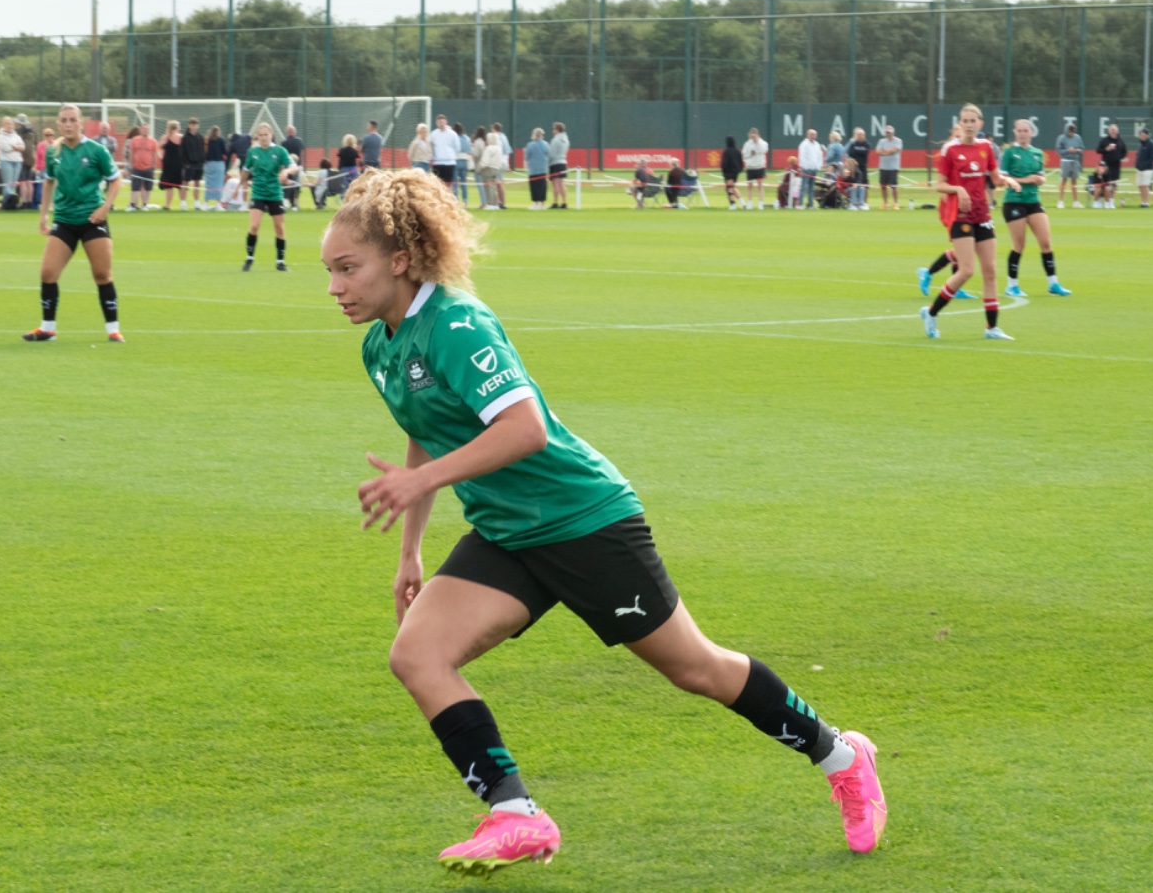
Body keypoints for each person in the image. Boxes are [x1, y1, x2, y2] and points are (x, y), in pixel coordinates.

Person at [324, 168, 887, 878]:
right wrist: (411, 549)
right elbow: (426, 430)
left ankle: (842, 754)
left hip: (583, 519)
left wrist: (423, 480)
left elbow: (523, 428)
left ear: (400, 260)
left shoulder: (458, 324)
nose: (336, 286)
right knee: (416, 654)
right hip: (509, 532)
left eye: (349, 268)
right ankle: (516, 813)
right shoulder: (383, 343)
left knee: (697, 668)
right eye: (330, 271)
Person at [22, 104, 124, 344]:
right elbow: (48, 183)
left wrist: (105, 207)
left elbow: (116, 180)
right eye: (63, 120)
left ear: (81, 123)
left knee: (102, 274)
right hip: (65, 220)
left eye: (72, 120)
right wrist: (43, 215)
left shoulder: (97, 150)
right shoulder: (53, 152)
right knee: (48, 273)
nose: (68, 124)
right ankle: (48, 329)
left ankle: (113, 329)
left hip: (92, 219)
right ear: (59, 124)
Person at [921, 103, 1016, 342]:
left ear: (980, 124)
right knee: (966, 270)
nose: (970, 125)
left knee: (991, 271)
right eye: (966, 120)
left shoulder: (986, 147)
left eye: (974, 121)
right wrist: (958, 189)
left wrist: (1008, 181)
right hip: (960, 216)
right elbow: (940, 184)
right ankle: (931, 313)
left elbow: (994, 178)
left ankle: (992, 327)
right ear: (960, 123)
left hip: (982, 214)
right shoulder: (949, 150)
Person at [999, 118, 1074, 299]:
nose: (1023, 133)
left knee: (1046, 242)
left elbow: (1041, 176)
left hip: (1033, 201)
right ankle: (1012, 285)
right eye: (1019, 131)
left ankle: (1053, 283)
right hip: (1014, 200)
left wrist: (1040, 179)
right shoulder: (1009, 153)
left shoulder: (1037, 153)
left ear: (1031, 133)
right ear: (1015, 132)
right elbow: (1002, 179)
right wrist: (1026, 180)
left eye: (1026, 130)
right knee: (1019, 245)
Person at [240, 122, 299, 273]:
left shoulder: (279, 151)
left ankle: (280, 262)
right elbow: (246, 170)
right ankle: (250, 258)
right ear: (257, 137)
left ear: (271, 135)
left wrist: (286, 172)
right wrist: (241, 184)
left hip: (274, 193)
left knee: (279, 227)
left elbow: (294, 166)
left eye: (266, 135)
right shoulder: (253, 152)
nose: (264, 137)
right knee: (254, 226)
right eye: (261, 135)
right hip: (258, 192)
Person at [0, 116, 26, 208]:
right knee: (7, 183)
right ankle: (5, 204)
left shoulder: (16, 136)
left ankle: (12, 203)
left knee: (14, 184)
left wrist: (13, 147)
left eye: (11, 124)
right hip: (6, 162)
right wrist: (16, 147)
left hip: (17, 162)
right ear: (3, 125)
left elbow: (23, 147)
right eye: (7, 124)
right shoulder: (0, 136)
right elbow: (5, 148)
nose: (9, 126)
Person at [1094, 124, 1128, 209]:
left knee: (1113, 184)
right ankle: (1102, 201)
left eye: (1114, 130)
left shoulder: (1120, 141)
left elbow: (1124, 152)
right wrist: (1107, 149)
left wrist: (1121, 158)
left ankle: (1111, 202)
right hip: (1105, 166)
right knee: (1104, 184)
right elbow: (1098, 150)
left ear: (1117, 131)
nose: (1113, 131)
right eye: (1111, 130)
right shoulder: (1104, 140)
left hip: (1116, 165)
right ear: (1109, 131)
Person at [1054, 123, 1085, 209]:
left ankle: (1075, 202)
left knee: (1074, 182)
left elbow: (1082, 150)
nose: (1071, 132)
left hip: (1075, 161)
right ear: (1067, 130)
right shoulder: (1061, 138)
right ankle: (1060, 201)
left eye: (1073, 131)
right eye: (1070, 130)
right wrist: (1068, 151)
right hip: (1065, 161)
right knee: (1063, 181)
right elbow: (1058, 151)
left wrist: (1077, 150)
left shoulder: (1078, 138)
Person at [126, 125, 156, 211]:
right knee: (135, 187)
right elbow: (131, 153)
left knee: (147, 187)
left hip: (148, 168)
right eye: (144, 129)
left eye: (147, 129)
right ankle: (132, 205)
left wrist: (153, 166)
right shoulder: (135, 140)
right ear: (141, 130)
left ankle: (145, 204)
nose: (145, 131)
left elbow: (154, 155)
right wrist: (131, 164)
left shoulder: (153, 141)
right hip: (136, 167)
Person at [158, 120, 185, 211]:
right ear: (178, 127)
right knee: (180, 185)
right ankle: (183, 205)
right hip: (179, 163)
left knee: (169, 186)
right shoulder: (181, 137)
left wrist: (161, 157)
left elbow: (159, 148)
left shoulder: (165, 137)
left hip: (168, 163)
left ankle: (167, 205)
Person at [430, 116, 461, 192]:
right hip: (438, 163)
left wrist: (450, 155)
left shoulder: (452, 134)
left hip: (449, 163)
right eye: (439, 122)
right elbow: (431, 147)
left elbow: (457, 147)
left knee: (448, 185)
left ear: (446, 122)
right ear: (437, 123)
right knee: (437, 185)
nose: (441, 124)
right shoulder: (433, 134)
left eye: (443, 122)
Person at [476, 130, 505, 211]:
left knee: (488, 187)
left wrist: (480, 167)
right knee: (494, 186)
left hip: (488, 169)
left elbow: (485, 160)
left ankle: (490, 204)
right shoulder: (499, 148)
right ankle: (495, 204)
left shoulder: (488, 148)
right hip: (496, 168)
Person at [740, 127, 768, 211]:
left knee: (760, 185)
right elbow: (744, 155)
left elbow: (764, 150)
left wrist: (757, 142)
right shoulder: (747, 144)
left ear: (757, 135)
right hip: (750, 167)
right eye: (751, 136)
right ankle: (749, 203)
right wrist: (751, 154)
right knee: (749, 186)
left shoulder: (762, 143)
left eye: (754, 136)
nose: (753, 138)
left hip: (759, 166)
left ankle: (760, 203)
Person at [182, 118, 207, 210]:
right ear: (189, 126)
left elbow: (202, 151)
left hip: (199, 164)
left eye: (196, 125)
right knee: (185, 183)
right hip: (189, 164)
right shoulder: (185, 138)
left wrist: (203, 161)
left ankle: (196, 203)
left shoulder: (200, 137)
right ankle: (183, 203)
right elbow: (182, 152)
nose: (194, 127)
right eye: (192, 125)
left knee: (197, 183)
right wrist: (186, 163)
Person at [797, 129, 824, 209]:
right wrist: (803, 166)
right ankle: (800, 203)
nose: (812, 136)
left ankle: (811, 204)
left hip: (814, 168)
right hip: (806, 168)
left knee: (811, 188)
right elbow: (801, 156)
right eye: (811, 134)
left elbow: (819, 156)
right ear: (808, 135)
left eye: (814, 134)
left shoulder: (817, 145)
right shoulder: (804, 144)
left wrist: (818, 166)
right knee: (803, 186)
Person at [524, 128, 550, 210]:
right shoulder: (546, 144)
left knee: (534, 186)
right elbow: (549, 155)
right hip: (543, 169)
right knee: (542, 186)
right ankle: (543, 203)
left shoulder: (530, 145)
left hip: (533, 170)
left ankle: (536, 203)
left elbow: (526, 157)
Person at [845, 128, 871, 211]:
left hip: (863, 167)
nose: (860, 136)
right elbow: (851, 153)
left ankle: (864, 203)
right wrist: (860, 150)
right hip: (853, 168)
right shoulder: (852, 144)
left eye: (861, 134)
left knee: (864, 185)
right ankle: (854, 203)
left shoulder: (867, 144)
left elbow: (865, 152)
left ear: (864, 135)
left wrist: (857, 150)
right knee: (853, 185)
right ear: (855, 135)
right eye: (858, 134)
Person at [281, 125, 305, 211]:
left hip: (287, 166)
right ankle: (295, 203)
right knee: (296, 184)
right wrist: (301, 164)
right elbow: (302, 153)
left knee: (287, 184)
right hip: (297, 166)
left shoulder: (284, 143)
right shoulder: (299, 141)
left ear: (287, 132)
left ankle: (287, 201)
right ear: (294, 132)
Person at [15, 114, 37, 208]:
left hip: (22, 158)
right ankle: (29, 201)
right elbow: (36, 144)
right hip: (31, 159)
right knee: (29, 181)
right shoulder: (32, 132)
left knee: (23, 181)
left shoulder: (18, 133)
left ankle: (24, 202)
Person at [204, 126, 228, 210]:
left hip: (208, 164)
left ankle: (206, 203)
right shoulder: (221, 140)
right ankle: (218, 204)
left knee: (209, 184)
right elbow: (224, 152)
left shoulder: (207, 140)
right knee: (218, 184)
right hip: (218, 164)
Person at [547, 122, 570, 209]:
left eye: (554, 129)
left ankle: (555, 202)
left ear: (557, 130)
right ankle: (564, 202)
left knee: (555, 184)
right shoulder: (566, 140)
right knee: (562, 183)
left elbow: (551, 153)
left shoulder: (555, 140)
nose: (553, 130)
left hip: (555, 163)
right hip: (563, 162)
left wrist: (548, 162)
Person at [1133, 128, 1153, 208]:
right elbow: (1138, 155)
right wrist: (1137, 164)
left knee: (1145, 185)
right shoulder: (1140, 144)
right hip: (1140, 169)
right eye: (1140, 135)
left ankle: (1146, 202)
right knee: (1140, 185)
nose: (1141, 136)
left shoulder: (1151, 144)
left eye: (1143, 134)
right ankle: (1142, 201)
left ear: (1147, 135)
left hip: (1148, 168)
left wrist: (1145, 164)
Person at [490, 123, 512, 209]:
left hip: (498, 163)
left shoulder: (496, 137)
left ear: (494, 129)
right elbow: (508, 151)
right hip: (505, 162)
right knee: (500, 182)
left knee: (497, 183)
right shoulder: (504, 137)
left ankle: (501, 202)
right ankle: (501, 202)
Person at [720, 136, 743, 210]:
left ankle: (732, 204)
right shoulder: (737, 151)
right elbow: (741, 162)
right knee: (733, 187)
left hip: (728, 172)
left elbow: (724, 163)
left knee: (729, 189)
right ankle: (742, 202)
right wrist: (739, 170)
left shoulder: (726, 152)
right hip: (736, 172)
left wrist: (723, 170)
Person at [453, 122, 472, 207]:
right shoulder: (467, 138)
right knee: (463, 183)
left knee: (455, 183)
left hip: (456, 160)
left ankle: (455, 200)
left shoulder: (454, 137)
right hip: (465, 161)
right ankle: (465, 201)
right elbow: (469, 150)